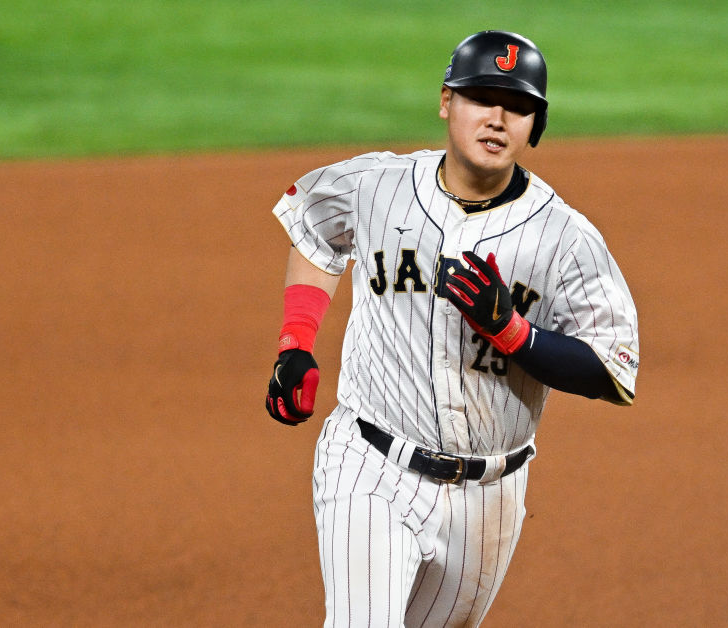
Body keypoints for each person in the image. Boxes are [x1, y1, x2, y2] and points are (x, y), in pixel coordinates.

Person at [264, 30, 639, 627]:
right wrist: (295, 345)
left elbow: (612, 370)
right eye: (481, 97)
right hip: (371, 463)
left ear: (535, 126)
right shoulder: (377, 187)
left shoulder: (565, 239)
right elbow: (315, 228)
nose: (497, 118)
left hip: (491, 497)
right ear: (446, 102)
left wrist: (516, 334)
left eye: (517, 106)